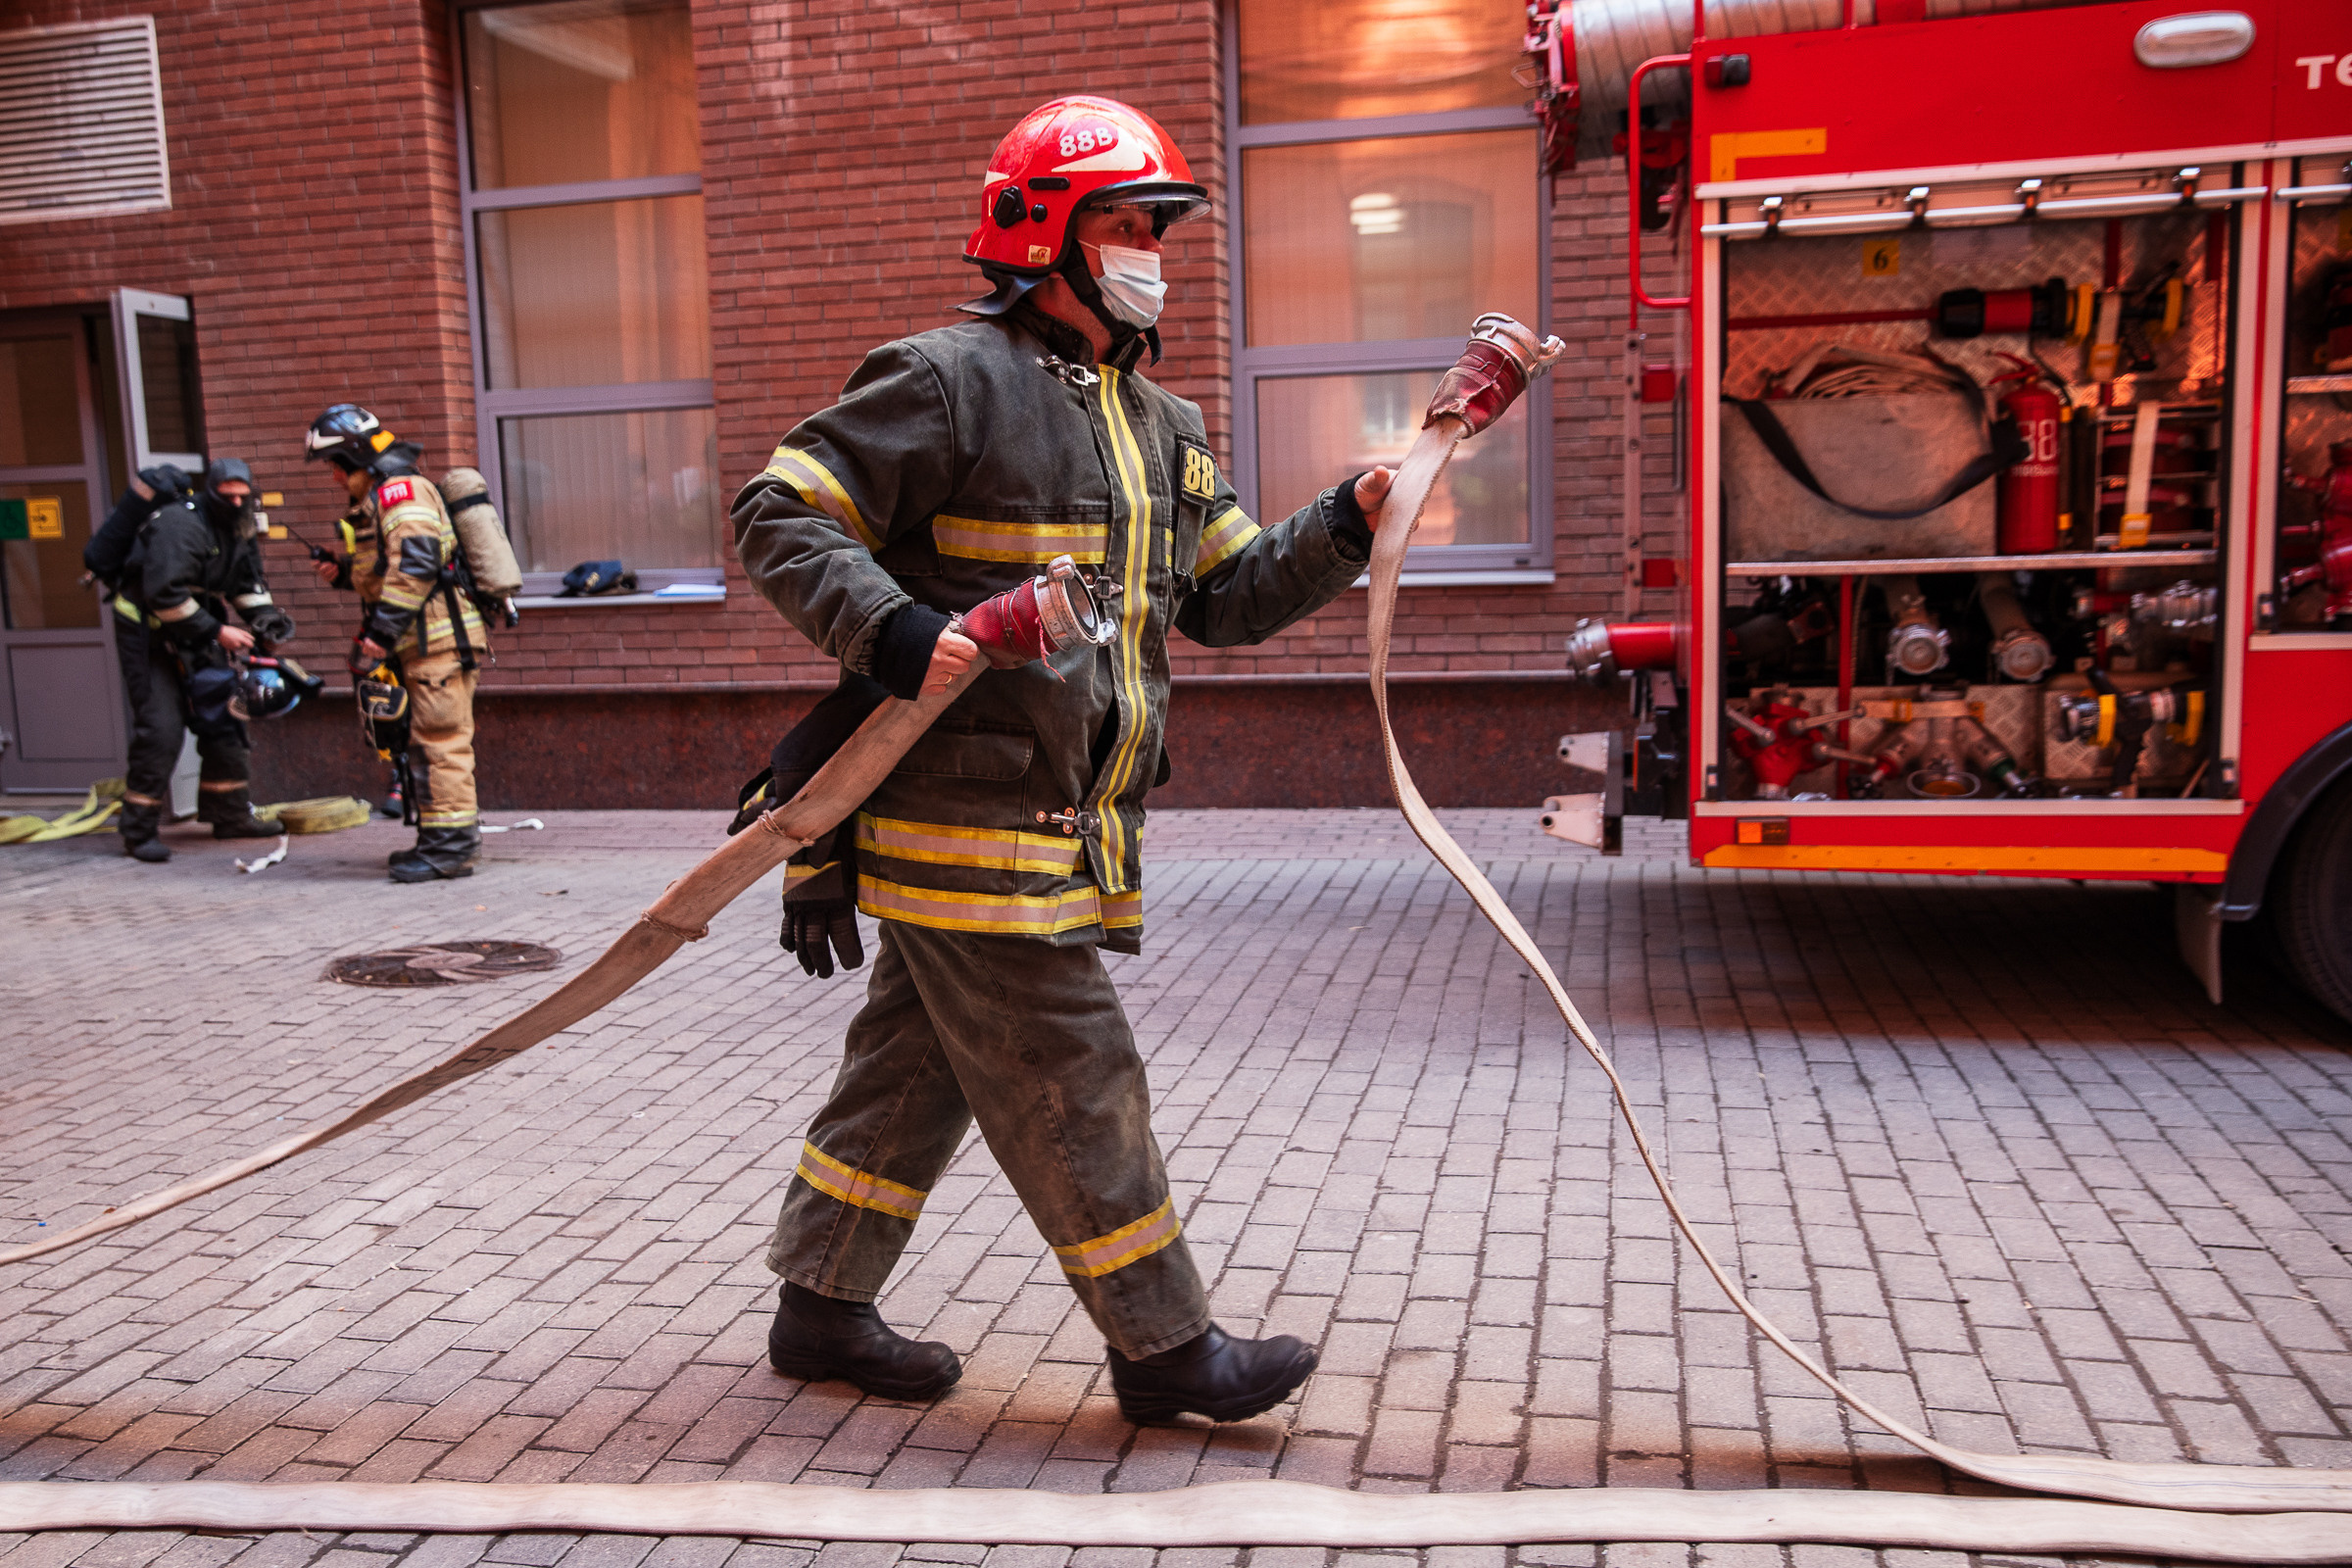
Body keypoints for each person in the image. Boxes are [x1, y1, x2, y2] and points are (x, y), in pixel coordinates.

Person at [731, 95, 1395, 1425]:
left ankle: (819, 1305)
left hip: (1067, 817)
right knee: (1073, 1071)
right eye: (1128, 224)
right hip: (970, 822)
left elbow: (1226, 599)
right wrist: (902, 627)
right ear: (1042, 233)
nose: (1156, 250)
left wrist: (1350, 519)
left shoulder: (1163, 422)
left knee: (912, 1070)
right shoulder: (941, 380)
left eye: (1162, 227)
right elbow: (778, 511)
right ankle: (1163, 1349)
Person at [305, 405, 488, 883]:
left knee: (441, 743)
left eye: (336, 467)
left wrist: (376, 640)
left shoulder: (401, 491)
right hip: (422, 642)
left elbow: (416, 565)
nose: (334, 479)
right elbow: (388, 568)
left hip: (435, 644)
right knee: (426, 744)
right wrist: (344, 572)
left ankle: (449, 850)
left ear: (354, 458)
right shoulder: (384, 496)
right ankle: (440, 841)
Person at [110, 459, 296, 860]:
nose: (235, 501)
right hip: (150, 631)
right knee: (162, 726)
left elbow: (246, 584)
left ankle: (228, 815)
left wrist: (266, 623)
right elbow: (164, 597)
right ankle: (138, 830)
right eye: (226, 495)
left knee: (225, 714)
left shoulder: (240, 524)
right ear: (210, 492)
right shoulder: (181, 526)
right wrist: (218, 632)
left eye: (242, 495)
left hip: (199, 625)